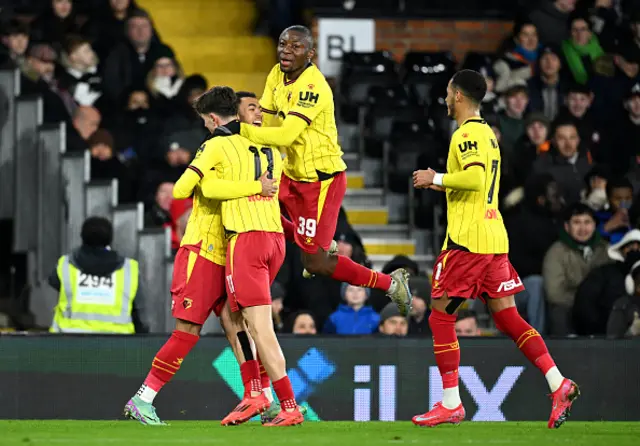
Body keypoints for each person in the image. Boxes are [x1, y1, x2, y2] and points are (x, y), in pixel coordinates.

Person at [412, 70, 578, 429]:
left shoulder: (466, 134)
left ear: (457, 95)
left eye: (447, 92)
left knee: (441, 317)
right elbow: (479, 183)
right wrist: (445, 187)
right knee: (508, 318)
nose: (444, 97)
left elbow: (472, 178)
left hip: (467, 243)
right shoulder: (488, 134)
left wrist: (435, 178)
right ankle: (557, 382)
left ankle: (451, 403)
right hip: (493, 239)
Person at [123, 90, 279, 425]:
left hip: (227, 252)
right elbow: (192, 190)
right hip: (202, 250)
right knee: (189, 331)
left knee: (240, 326)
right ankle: (143, 397)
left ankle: (257, 396)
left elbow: (184, 189)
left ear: (211, 119)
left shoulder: (225, 146)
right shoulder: (237, 148)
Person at [238, 25, 412, 315]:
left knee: (314, 264)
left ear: (311, 53)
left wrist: (238, 131)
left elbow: (285, 135)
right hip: (292, 172)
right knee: (258, 205)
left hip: (321, 182)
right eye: (283, 44)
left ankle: (391, 284)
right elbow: (266, 121)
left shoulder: (313, 86)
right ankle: (319, 243)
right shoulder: (275, 74)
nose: (286, 51)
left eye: (295, 46)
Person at [191, 86, 303, 427]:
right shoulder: (273, 148)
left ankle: (285, 404)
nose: (258, 113)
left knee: (259, 327)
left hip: (247, 242)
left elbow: (206, 189)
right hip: (273, 242)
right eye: (252, 108)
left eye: (257, 107)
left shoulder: (224, 146)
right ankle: (256, 393)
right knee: (231, 315)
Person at [48, 217, 147, 334]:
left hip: (69, 342)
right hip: (117, 344)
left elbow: (54, 282)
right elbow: (140, 314)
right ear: (110, 239)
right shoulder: (129, 269)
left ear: (82, 237)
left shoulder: (65, 265)